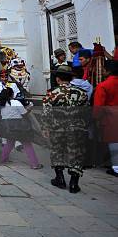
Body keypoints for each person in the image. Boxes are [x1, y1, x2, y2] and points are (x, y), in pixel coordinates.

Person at [42, 65, 89, 193]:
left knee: (57, 151)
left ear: (58, 79)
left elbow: (47, 113)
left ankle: (60, 178)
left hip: (58, 127)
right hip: (77, 127)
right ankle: (74, 183)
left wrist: (46, 128)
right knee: (76, 152)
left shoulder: (52, 93)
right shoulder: (82, 93)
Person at [0, 88, 41, 169]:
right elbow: (24, 114)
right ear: (11, 95)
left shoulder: (0, 104)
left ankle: (3, 160)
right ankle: (35, 164)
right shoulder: (16, 102)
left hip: (7, 127)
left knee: (9, 143)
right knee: (27, 144)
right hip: (19, 127)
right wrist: (29, 108)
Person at [93, 60, 118, 176]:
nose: (102, 71)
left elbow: (98, 106)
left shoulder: (103, 85)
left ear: (108, 71)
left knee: (113, 142)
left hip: (111, 117)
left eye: (103, 69)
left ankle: (116, 168)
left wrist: (96, 118)